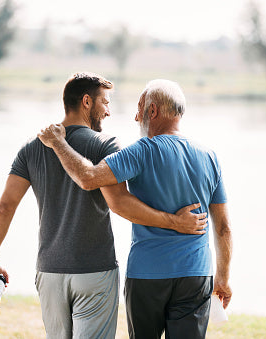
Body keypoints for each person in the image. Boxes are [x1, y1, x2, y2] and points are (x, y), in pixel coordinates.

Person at [0, 73, 208, 339]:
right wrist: (174, 222)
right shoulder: (106, 145)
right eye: (105, 103)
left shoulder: (32, 148)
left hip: (49, 271)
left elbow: (4, 207)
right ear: (86, 102)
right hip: (95, 272)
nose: (109, 111)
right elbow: (120, 203)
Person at [38, 79, 233, 339]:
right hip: (196, 275)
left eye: (139, 109)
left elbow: (88, 178)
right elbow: (223, 227)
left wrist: (58, 143)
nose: (135, 117)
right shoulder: (209, 156)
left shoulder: (141, 152)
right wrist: (222, 278)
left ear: (152, 111)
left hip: (147, 275)